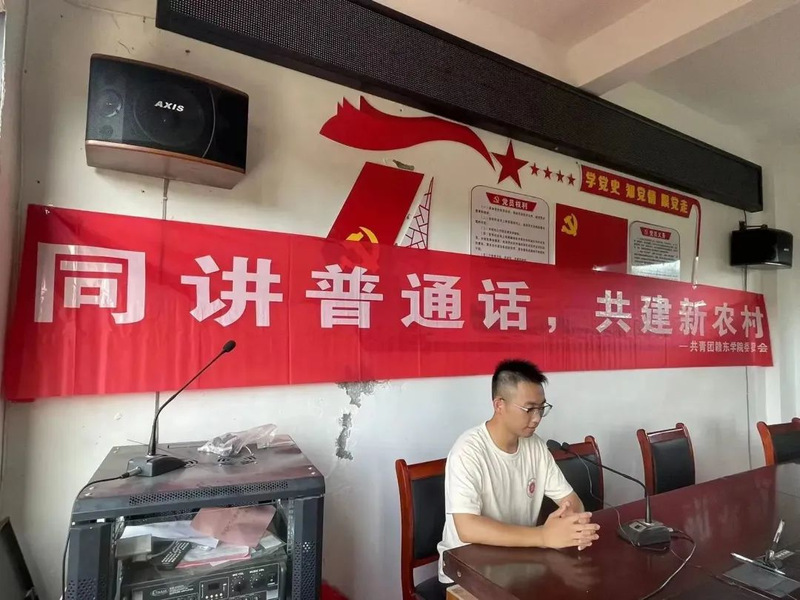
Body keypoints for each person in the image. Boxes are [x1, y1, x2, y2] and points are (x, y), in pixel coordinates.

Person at [437, 359, 601, 584]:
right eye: (529, 409)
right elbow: (467, 528)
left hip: (521, 561)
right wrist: (543, 536)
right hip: (466, 571)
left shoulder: (535, 446)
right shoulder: (468, 451)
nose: (537, 418)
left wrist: (569, 525)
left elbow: (571, 500)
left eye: (541, 408)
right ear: (499, 405)